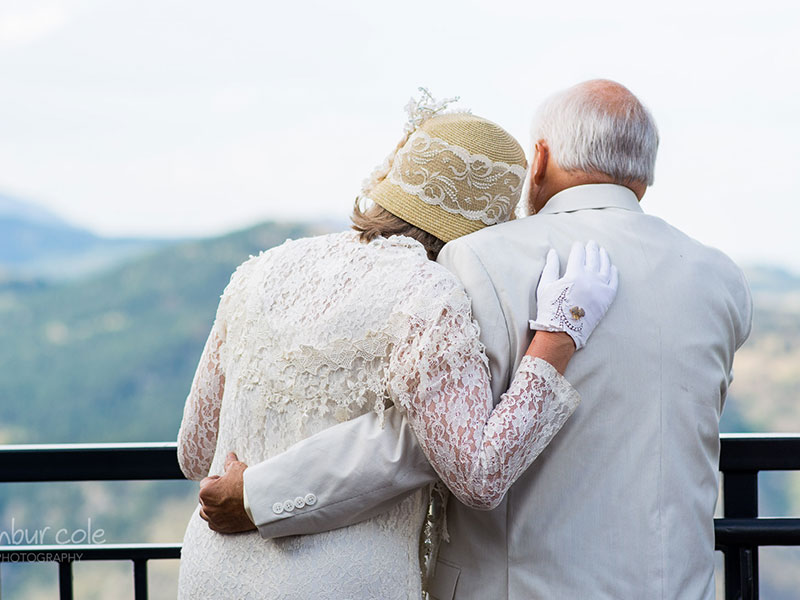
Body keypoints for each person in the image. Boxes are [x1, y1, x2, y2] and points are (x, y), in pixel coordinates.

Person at [201, 80, 753, 600]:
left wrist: (261, 493)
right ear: (644, 172)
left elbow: (419, 443)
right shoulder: (719, 278)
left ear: (538, 160)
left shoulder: (479, 260)